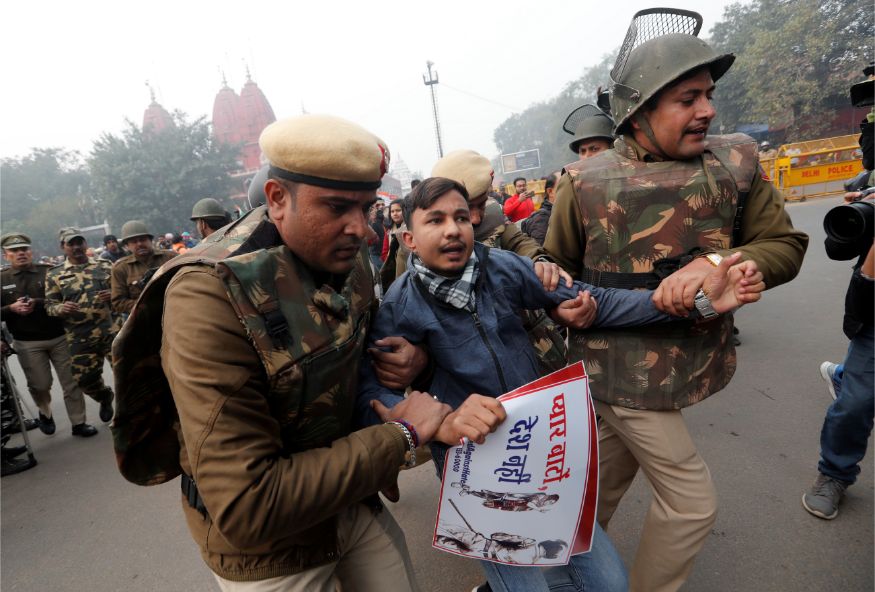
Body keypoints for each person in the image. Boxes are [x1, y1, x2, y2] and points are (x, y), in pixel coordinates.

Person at [357, 177, 763, 592]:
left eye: (461, 217)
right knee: (526, 586)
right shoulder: (398, 306)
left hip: (540, 448)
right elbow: (377, 393)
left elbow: (594, 301)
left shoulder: (502, 267)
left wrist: (698, 302)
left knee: (609, 583)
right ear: (408, 237)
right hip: (474, 468)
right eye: (436, 220)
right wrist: (437, 424)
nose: (452, 230)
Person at [111, 114, 451, 591]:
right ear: (276, 199)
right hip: (271, 553)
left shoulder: (344, 258)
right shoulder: (209, 295)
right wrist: (402, 436)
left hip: (347, 500)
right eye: (337, 207)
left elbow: (360, 361)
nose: (361, 230)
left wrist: (416, 361)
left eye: (366, 207)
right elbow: (248, 503)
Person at [543, 10, 808, 592]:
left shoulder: (734, 164)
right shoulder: (582, 184)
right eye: (688, 98)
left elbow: (783, 244)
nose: (707, 110)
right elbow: (556, 268)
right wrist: (562, 301)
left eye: (708, 95)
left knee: (603, 486)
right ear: (639, 112)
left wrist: (715, 263)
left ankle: (552, 566)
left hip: (686, 359)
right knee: (690, 504)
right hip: (614, 366)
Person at [802, 66, 874, 520]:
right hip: (872, 307)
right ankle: (835, 473)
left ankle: (845, 372)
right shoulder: (865, 190)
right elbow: (834, 247)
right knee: (856, 406)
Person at [1, 233, 96, 437]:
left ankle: (79, 422)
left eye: (24, 249)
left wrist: (39, 302)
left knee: (71, 381)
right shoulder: (2, 279)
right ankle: (45, 412)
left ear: (31, 251)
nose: (21, 254)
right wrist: (11, 308)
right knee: (40, 385)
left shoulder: (49, 272)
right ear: (6, 255)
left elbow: (66, 298)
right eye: (15, 251)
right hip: (27, 342)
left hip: (59, 335)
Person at [45, 228, 121, 425]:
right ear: (63, 247)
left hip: (112, 330)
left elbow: (122, 295)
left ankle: (131, 413)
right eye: (71, 244)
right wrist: (62, 308)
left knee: (126, 372)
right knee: (84, 380)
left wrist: (112, 295)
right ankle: (104, 397)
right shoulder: (55, 274)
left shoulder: (105, 266)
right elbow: (49, 306)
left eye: (80, 242)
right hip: (80, 337)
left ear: (85, 244)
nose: (77, 247)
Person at [110, 220, 176, 314]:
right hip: (144, 322)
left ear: (151, 240)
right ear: (127, 246)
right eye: (134, 242)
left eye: (142, 239)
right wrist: (146, 306)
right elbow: (118, 302)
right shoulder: (121, 268)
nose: (139, 244)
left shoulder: (171, 258)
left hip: (175, 313)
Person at [521, 172, 560, 245]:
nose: (522, 187)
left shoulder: (529, 199)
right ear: (550, 191)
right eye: (519, 186)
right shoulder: (542, 218)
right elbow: (541, 252)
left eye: (523, 185)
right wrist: (518, 201)